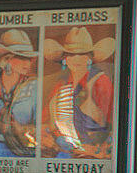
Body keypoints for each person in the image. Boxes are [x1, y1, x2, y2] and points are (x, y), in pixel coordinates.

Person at [42, 28, 117, 160]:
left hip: (94, 154)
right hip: (65, 151)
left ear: (89, 58)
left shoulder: (100, 81)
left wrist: (97, 149)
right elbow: (47, 121)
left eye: (82, 54)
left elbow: (112, 122)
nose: (76, 59)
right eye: (71, 55)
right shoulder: (61, 84)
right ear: (65, 59)